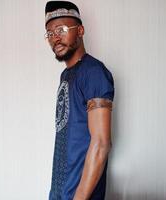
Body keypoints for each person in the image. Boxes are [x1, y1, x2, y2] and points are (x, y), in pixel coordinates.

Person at [45, 1, 115, 199]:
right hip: (60, 192)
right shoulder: (66, 75)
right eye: (50, 33)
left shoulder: (93, 72)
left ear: (81, 30)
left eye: (61, 29)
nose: (55, 38)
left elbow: (101, 143)